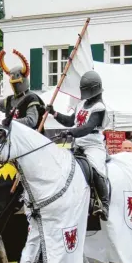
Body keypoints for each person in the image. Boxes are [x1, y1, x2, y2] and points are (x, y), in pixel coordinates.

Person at [46, 70, 109, 221]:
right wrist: (54, 113)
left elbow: (88, 127)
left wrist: (70, 133)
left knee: (94, 168)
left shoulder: (99, 107)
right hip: (78, 145)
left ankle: (104, 205)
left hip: (93, 145)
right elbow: (70, 121)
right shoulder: (81, 104)